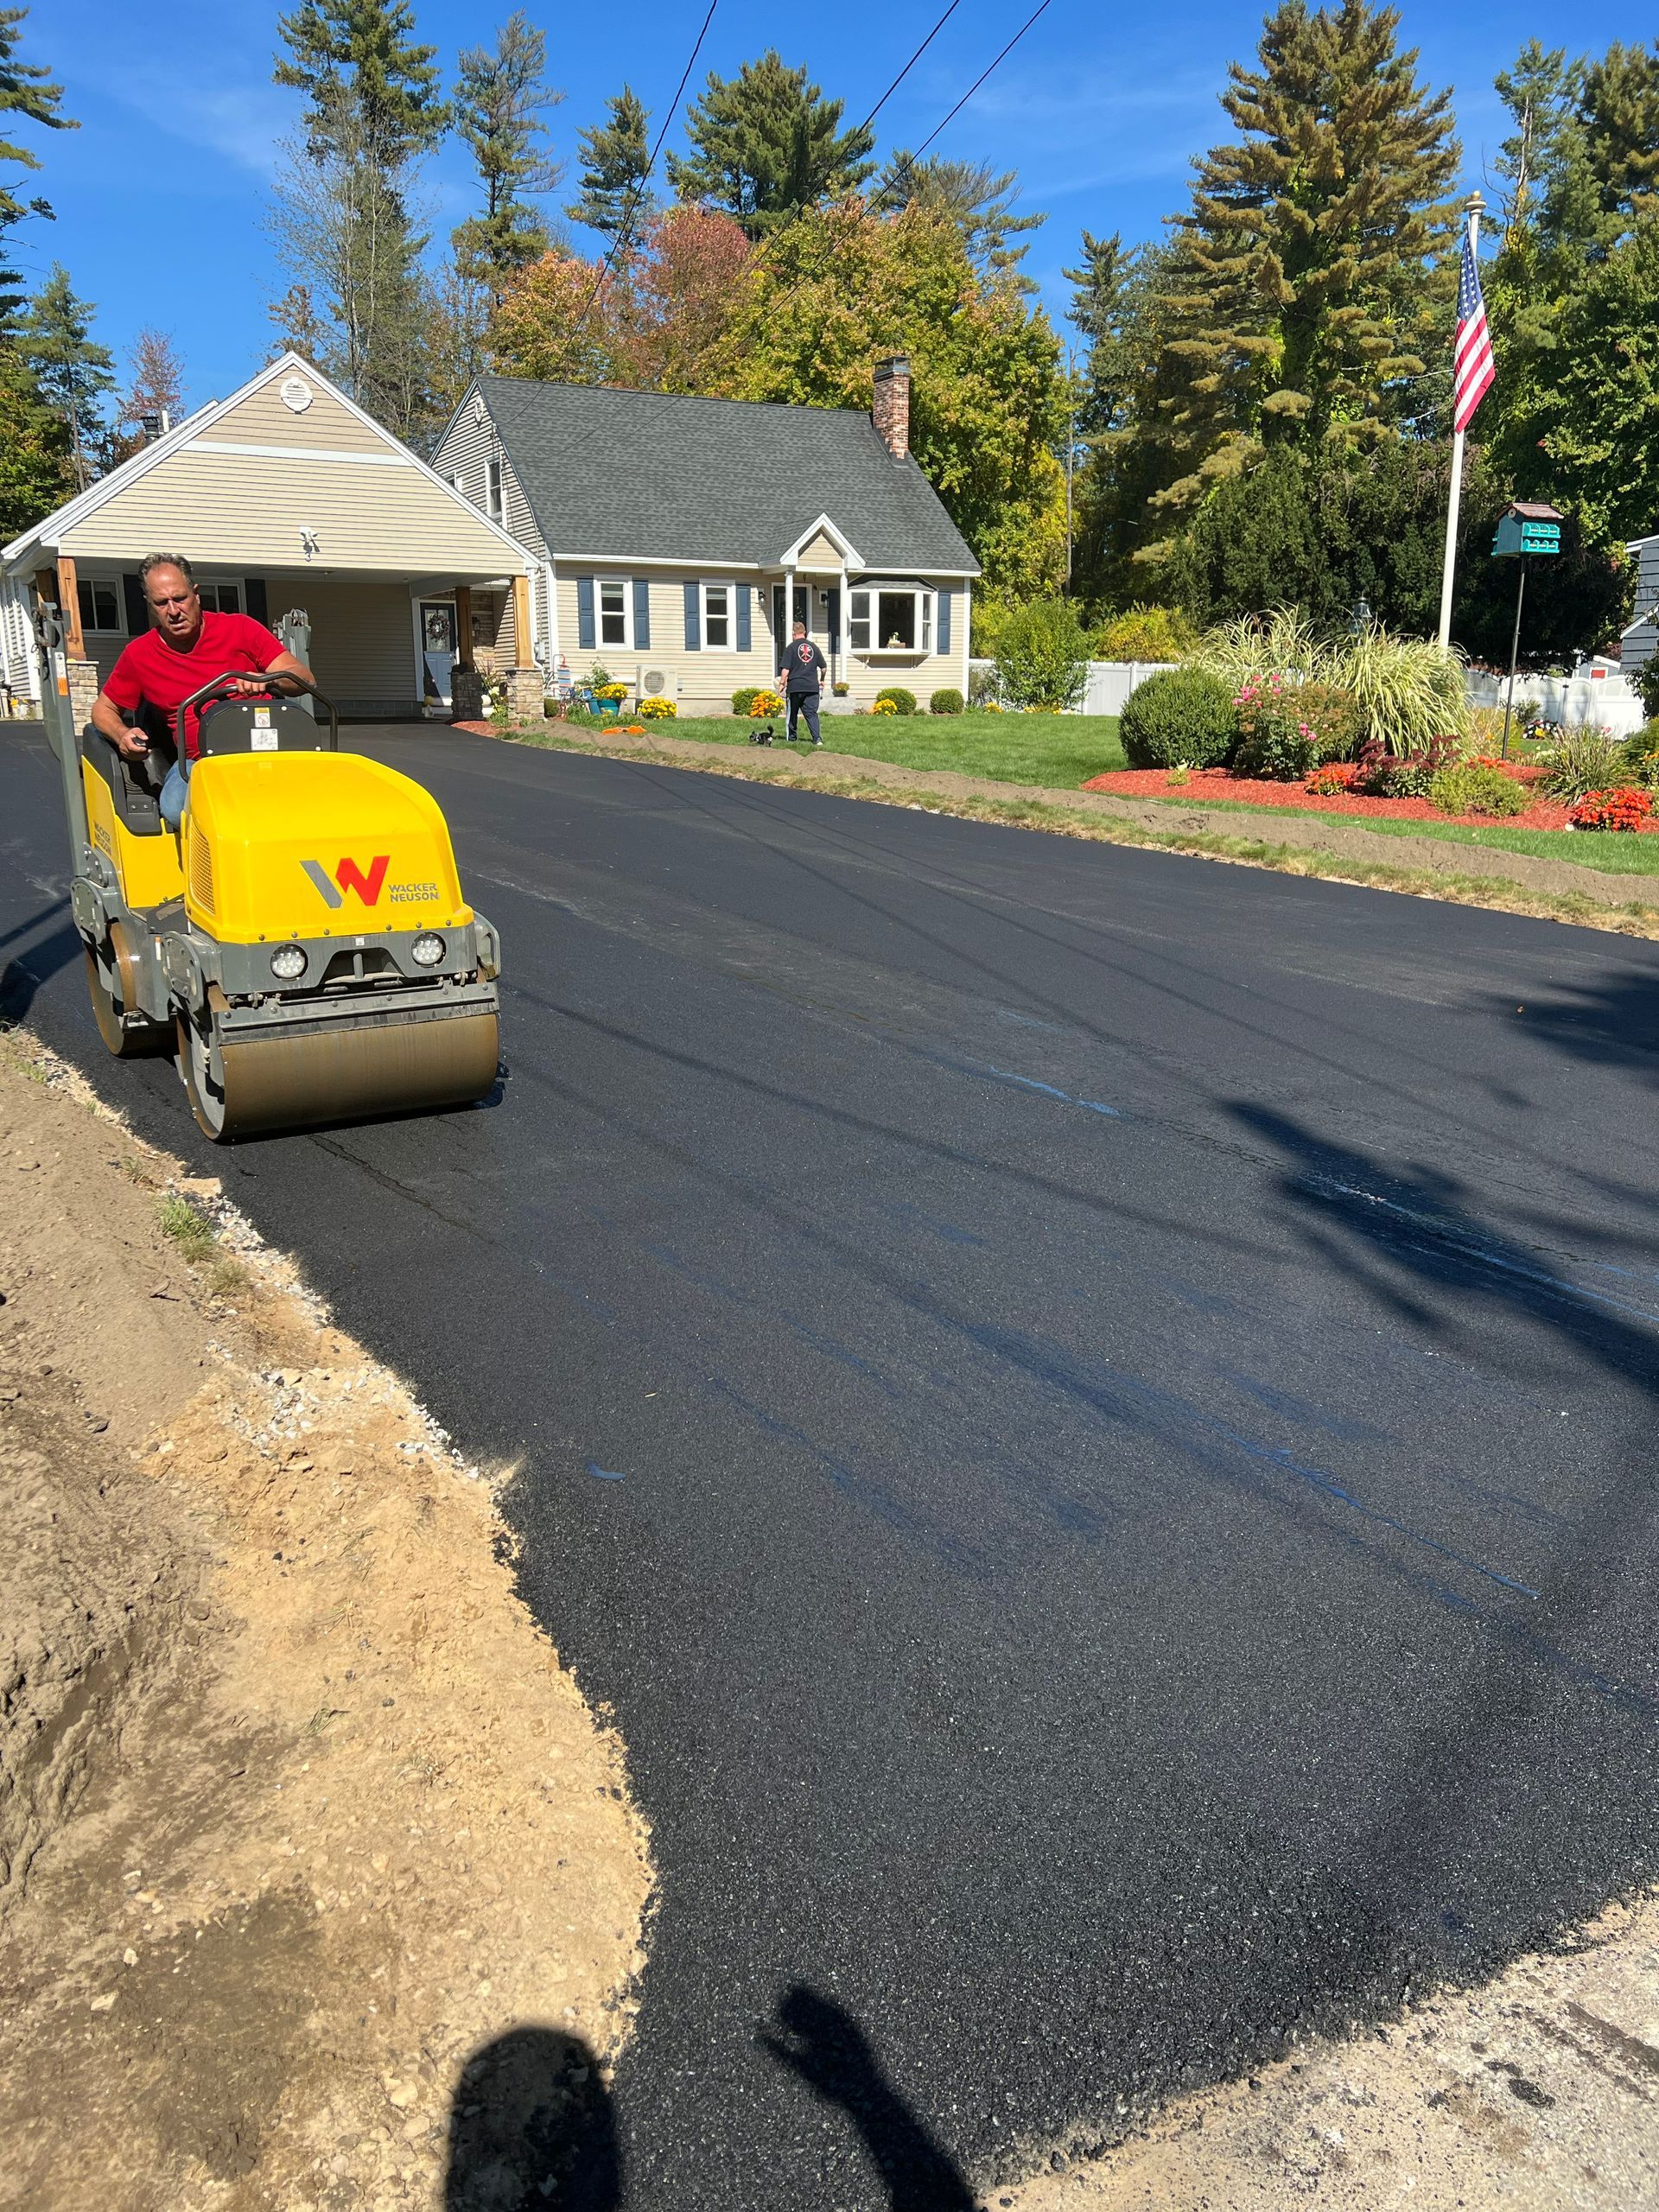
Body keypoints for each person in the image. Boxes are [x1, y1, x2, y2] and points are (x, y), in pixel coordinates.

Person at [90, 553, 315, 830]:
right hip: (200, 762)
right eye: (162, 603)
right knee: (175, 808)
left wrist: (266, 677)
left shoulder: (240, 628)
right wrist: (122, 734)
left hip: (268, 750)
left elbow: (304, 679)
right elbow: (103, 709)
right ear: (151, 606)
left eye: (180, 598)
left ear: (196, 595)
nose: (173, 611)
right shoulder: (139, 655)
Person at [778, 620, 827, 746]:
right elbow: (823, 667)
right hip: (812, 687)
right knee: (811, 713)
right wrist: (821, 680)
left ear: (793, 634)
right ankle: (817, 739)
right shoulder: (814, 647)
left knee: (792, 713)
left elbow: (786, 669)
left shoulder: (791, 648)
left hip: (795, 687)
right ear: (804, 632)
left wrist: (782, 683)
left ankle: (792, 739)